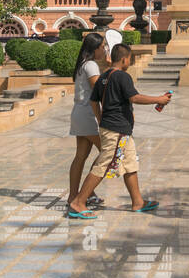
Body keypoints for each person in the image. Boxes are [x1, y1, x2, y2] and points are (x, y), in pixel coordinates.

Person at [66, 43, 170, 219]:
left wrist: (100, 120)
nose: (129, 62)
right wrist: (158, 99)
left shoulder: (104, 76)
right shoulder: (122, 76)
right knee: (104, 164)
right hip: (116, 130)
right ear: (124, 59)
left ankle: (138, 202)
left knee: (130, 163)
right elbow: (134, 97)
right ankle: (78, 202)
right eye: (129, 58)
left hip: (117, 129)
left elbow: (94, 101)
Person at [65, 33, 108, 212]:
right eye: (102, 47)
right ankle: (85, 193)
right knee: (108, 153)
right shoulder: (91, 65)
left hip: (79, 113)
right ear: (95, 49)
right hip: (88, 115)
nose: (104, 49)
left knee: (80, 156)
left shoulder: (83, 64)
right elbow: (99, 90)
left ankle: (73, 195)